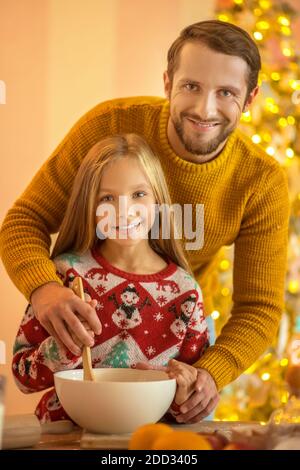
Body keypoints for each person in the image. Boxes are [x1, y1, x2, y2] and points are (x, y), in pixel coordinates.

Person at [1, 20, 289, 423]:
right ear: (168, 82)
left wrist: (209, 373)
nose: (205, 109)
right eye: (191, 86)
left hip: (170, 332)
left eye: (226, 92)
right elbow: (23, 220)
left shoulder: (261, 182)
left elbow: (259, 307)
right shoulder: (110, 126)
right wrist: (45, 288)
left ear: (250, 98)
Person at [12, 134, 210, 423]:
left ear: (158, 199)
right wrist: (65, 346)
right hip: (63, 439)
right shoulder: (63, 276)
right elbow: (22, 378)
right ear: (89, 206)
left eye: (139, 194)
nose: (124, 211)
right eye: (107, 198)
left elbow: (188, 406)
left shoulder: (185, 293)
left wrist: (183, 392)